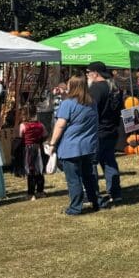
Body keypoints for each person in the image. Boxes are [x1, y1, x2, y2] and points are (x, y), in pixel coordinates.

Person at [48, 76, 102, 216]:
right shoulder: (92, 103)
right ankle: (96, 201)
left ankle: (75, 207)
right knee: (89, 176)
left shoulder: (68, 104)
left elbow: (60, 125)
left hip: (71, 147)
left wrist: (52, 143)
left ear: (72, 86)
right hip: (88, 146)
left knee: (74, 179)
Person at [86, 62, 122, 206]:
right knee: (109, 161)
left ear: (95, 73)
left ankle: (93, 194)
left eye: (88, 72)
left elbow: (90, 109)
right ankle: (115, 192)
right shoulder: (114, 87)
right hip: (112, 129)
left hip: (98, 130)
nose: (87, 75)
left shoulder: (96, 88)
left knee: (91, 163)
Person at [18, 102, 47, 200]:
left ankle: (31, 193)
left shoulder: (23, 125)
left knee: (30, 171)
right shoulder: (40, 125)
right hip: (38, 148)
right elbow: (45, 135)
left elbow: (20, 137)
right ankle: (40, 191)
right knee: (39, 170)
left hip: (28, 149)